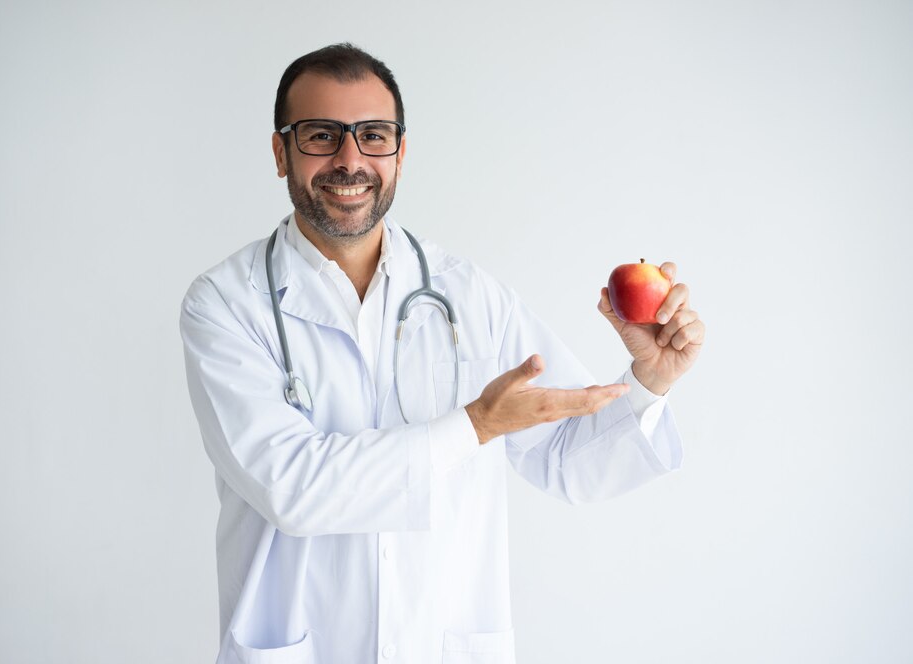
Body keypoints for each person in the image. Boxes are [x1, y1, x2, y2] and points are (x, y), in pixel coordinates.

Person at [179, 42, 705, 664]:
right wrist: (473, 427)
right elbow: (294, 488)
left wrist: (649, 381)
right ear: (280, 151)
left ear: (400, 153)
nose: (350, 159)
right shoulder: (225, 304)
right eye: (322, 135)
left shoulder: (472, 295)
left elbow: (567, 461)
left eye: (373, 135)